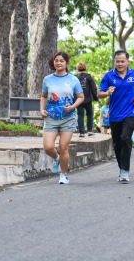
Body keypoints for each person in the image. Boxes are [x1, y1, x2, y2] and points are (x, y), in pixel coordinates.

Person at [98, 50, 134, 183]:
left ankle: (125, 171)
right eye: (117, 61)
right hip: (114, 114)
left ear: (127, 61)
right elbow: (99, 93)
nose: (120, 64)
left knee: (126, 138)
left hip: (130, 112)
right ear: (114, 61)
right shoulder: (109, 76)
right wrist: (107, 93)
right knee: (117, 143)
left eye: (122, 61)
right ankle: (122, 168)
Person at [40, 52, 84, 185]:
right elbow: (44, 96)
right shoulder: (47, 79)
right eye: (56, 61)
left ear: (66, 63)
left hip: (68, 118)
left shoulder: (73, 80)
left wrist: (72, 107)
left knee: (63, 147)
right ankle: (56, 158)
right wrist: (42, 109)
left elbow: (81, 97)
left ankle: (63, 175)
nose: (58, 63)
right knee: (48, 147)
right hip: (51, 117)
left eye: (61, 61)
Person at [75, 62, 98, 137]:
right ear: (86, 68)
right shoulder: (89, 77)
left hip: (78, 100)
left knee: (80, 115)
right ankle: (90, 131)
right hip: (88, 99)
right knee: (89, 114)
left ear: (77, 69)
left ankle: (81, 132)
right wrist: (96, 98)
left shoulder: (75, 78)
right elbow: (93, 89)